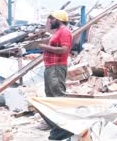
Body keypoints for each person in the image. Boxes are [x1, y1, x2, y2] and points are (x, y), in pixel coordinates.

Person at [38, 10, 74, 140]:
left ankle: (65, 129)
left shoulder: (64, 31)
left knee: (58, 97)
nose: (50, 21)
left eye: (52, 19)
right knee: (51, 98)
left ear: (59, 19)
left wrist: (45, 47)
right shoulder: (58, 32)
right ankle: (58, 128)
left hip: (56, 67)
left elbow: (65, 50)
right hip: (51, 67)